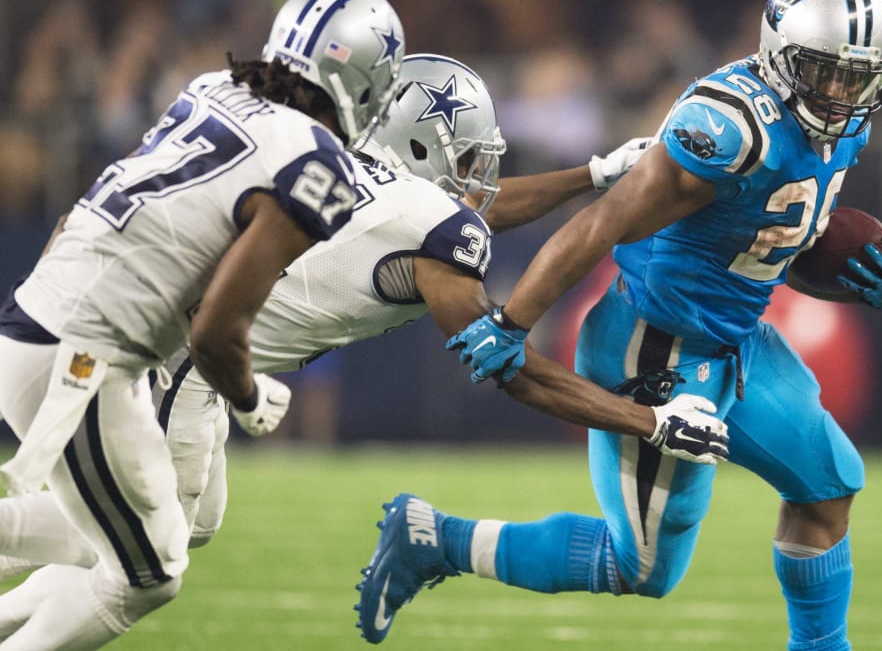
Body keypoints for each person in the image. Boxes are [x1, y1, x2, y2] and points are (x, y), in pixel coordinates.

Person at [0, 54, 726, 633]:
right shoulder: (430, 228)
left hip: (174, 347)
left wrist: (594, 175)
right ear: (419, 144)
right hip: (181, 360)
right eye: (469, 158)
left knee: (169, 530)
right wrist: (651, 422)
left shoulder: (360, 175)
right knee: (148, 563)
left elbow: (466, 216)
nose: (482, 176)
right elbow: (510, 368)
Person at [371, 0, 882, 651]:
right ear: (781, 57)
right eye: (824, 73)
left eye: (857, 77)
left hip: (736, 342)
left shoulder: (843, 128)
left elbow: (770, 246)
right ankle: (435, 540)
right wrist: (512, 321)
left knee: (828, 487)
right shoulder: (733, 127)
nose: (841, 95)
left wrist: (858, 280)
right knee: (641, 568)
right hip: (657, 347)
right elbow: (604, 222)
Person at [0, 0, 405, 648]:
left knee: (133, 532)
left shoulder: (213, 88)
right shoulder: (320, 163)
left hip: (43, 320)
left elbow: (85, 214)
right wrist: (250, 397)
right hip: (80, 354)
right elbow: (216, 328)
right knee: (149, 572)